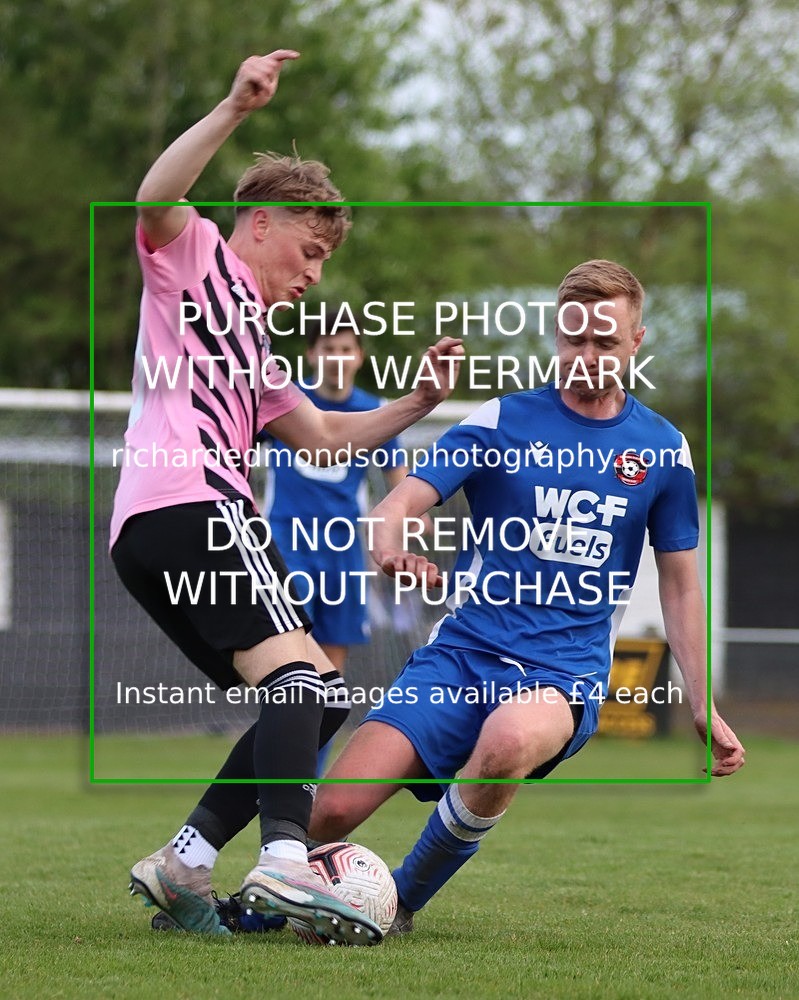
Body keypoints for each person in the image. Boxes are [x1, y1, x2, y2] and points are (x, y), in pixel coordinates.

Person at [111, 49, 462, 943]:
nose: (313, 275)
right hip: (195, 503)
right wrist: (234, 105)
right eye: (308, 252)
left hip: (155, 528)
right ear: (260, 224)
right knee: (305, 677)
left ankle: (186, 861)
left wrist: (416, 403)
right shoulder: (192, 258)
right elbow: (155, 197)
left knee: (310, 697)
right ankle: (282, 862)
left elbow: (327, 435)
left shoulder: (261, 349)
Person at [308, 259, 746, 935]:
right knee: (328, 813)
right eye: (575, 340)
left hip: (561, 675)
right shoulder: (502, 420)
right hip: (458, 657)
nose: (587, 356)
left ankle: (397, 900)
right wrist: (387, 544)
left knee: (509, 738)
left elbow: (680, 581)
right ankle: (275, 897)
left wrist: (699, 700)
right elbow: (399, 500)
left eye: (605, 342)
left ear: (636, 342)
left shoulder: (662, 450)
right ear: (555, 335)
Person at [262, 315, 414, 773]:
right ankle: (276, 778)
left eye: (346, 349)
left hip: (345, 555)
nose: (337, 358)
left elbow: (398, 483)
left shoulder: (373, 408)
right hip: (290, 546)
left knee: (330, 680)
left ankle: (305, 784)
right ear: (312, 354)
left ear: (359, 356)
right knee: (289, 673)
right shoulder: (286, 401)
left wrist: (408, 520)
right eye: (328, 348)